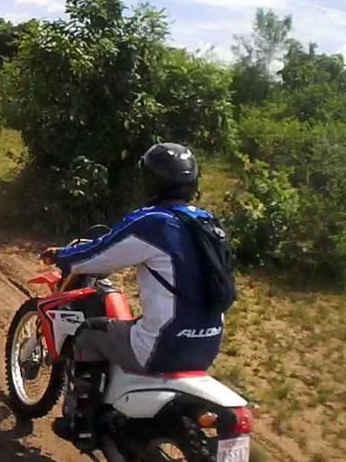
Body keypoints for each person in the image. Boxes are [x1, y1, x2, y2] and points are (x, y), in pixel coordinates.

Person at [42, 142, 231, 446]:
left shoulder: (152, 222)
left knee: (88, 334)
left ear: (149, 180)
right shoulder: (209, 224)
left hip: (163, 345)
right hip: (207, 345)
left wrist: (62, 256)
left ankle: (82, 422)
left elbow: (97, 255)